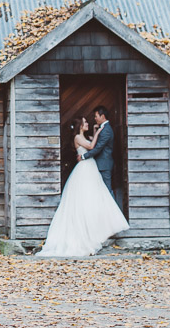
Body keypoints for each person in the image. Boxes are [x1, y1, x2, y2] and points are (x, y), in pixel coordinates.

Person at [35, 111, 128, 257]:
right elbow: (91, 147)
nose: (88, 124)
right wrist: (98, 132)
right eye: (85, 122)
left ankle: (96, 228)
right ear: (80, 126)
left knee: (94, 196)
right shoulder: (78, 137)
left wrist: (95, 133)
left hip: (90, 166)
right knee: (87, 196)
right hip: (85, 168)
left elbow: (91, 144)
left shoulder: (83, 136)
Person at [79, 106, 114, 198]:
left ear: (102, 116)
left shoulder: (106, 130)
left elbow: (98, 148)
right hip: (99, 164)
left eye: (96, 116)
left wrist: (83, 156)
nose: (95, 118)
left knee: (107, 190)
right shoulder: (103, 128)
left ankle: (113, 211)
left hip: (104, 165)